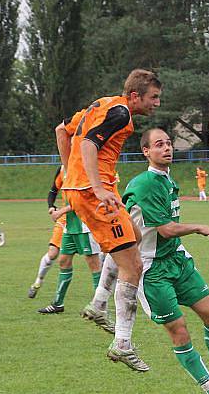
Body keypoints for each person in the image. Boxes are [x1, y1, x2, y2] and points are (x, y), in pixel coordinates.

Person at [122, 128, 209, 394]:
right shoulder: (144, 184)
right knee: (179, 332)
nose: (167, 148)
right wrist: (197, 227)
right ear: (146, 152)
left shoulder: (166, 180)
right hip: (152, 270)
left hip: (177, 259)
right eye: (159, 145)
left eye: (168, 143)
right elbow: (165, 229)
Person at [57, 69, 161, 372]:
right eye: (153, 98)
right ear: (134, 96)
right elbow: (89, 144)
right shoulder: (120, 114)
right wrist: (98, 187)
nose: (156, 104)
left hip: (83, 189)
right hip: (94, 193)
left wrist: (69, 174)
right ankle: (122, 344)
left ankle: (99, 303)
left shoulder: (101, 104)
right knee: (134, 267)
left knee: (136, 236)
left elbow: (61, 130)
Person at [36, 204, 110, 333]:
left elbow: (80, 200)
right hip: (70, 227)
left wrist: (60, 212)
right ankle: (57, 304)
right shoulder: (66, 182)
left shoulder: (84, 182)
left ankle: (100, 307)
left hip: (85, 226)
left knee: (94, 264)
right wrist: (53, 206)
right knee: (63, 261)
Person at [28, 166, 65, 298]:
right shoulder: (62, 169)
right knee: (53, 253)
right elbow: (53, 191)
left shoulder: (84, 167)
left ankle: (105, 290)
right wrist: (51, 206)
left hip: (85, 218)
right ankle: (38, 281)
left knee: (97, 256)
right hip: (65, 220)